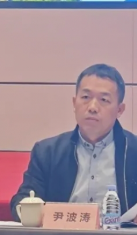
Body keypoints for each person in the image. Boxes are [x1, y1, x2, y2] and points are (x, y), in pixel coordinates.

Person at [10, 64, 137, 221]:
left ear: (119, 110)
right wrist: (31, 211)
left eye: (104, 100)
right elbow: (23, 200)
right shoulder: (47, 152)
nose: (92, 107)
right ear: (74, 103)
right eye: (85, 97)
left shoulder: (133, 151)